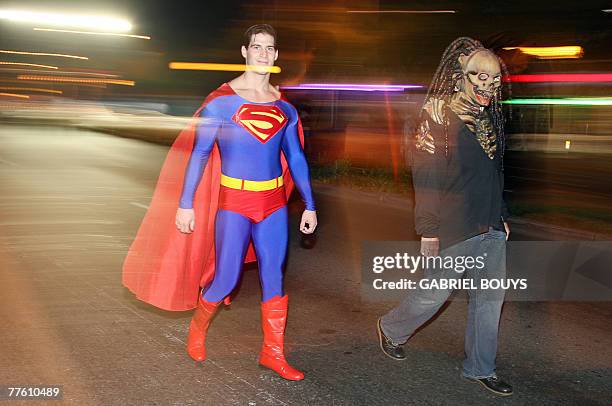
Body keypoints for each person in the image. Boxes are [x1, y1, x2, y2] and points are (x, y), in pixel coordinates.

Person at [123, 24, 317, 381]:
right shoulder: (221, 102)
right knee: (226, 279)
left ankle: (272, 353)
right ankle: (197, 328)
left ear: (275, 56)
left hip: (273, 203)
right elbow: (198, 154)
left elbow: (297, 157)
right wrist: (185, 204)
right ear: (245, 52)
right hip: (234, 202)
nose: (262, 53)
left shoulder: (283, 107)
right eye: (256, 47)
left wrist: (309, 204)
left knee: (274, 277)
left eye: (269, 48)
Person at [376, 37, 513, 396]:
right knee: (434, 293)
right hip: (455, 223)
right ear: (459, 75)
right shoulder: (437, 115)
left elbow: (496, 170)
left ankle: (481, 367)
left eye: (494, 79)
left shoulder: (489, 118)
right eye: (479, 77)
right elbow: (427, 176)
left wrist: (502, 215)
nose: (488, 86)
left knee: (490, 298)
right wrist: (429, 230)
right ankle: (392, 328)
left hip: (491, 225)